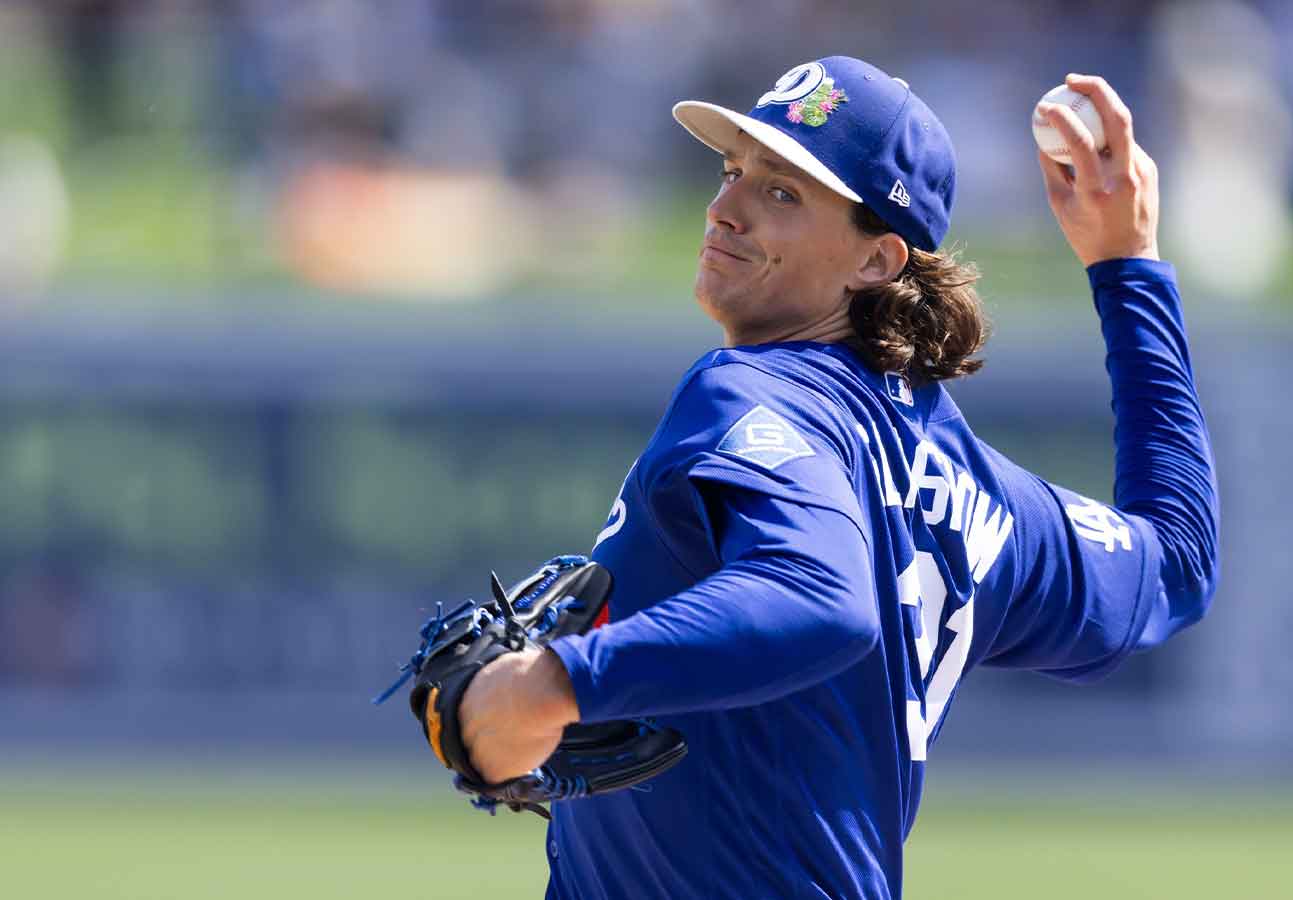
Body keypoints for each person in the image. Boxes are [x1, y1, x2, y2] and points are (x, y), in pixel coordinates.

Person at [456, 56, 1218, 899]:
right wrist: (1129, 265)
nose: (724, 209)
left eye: (782, 193)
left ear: (878, 260)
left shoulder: (750, 392)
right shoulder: (978, 495)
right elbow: (1176, 562)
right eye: (733, 171)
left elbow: (822, 596)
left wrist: (558, 682)